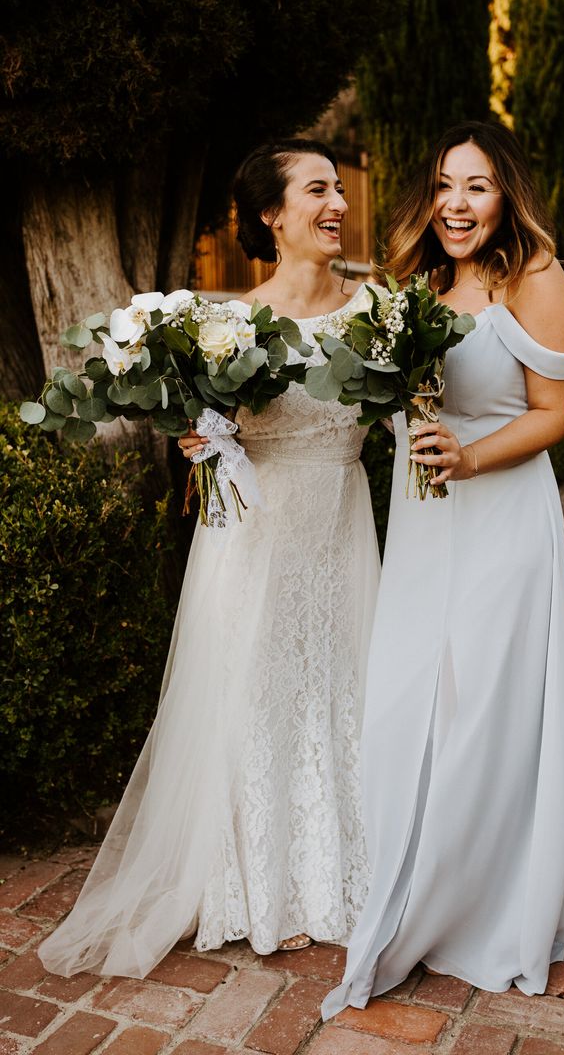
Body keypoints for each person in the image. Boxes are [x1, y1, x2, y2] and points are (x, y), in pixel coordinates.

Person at [39, 138, 380, 978]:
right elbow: (203, 437)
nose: (336, 205)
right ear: (271, 214)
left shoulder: (378, 314)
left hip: (343, 530)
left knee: (343, 686)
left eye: (339, 190)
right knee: (254, 696)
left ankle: (354, 867)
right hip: (254, 545)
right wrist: (201, 438)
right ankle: (259, 886)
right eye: (315, 191)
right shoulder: (221, 327)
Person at [323, 120, 564, 1019]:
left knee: (485, 705)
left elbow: (555, 413)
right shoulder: (419, 282)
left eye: (475, 186)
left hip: (501, 516)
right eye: (443, 185)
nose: (456, 204)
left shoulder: (534, 277)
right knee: (414, 694)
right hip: (425, 524)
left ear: (506, 191)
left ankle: (481, 898)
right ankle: (413, 862)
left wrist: (471, 459)